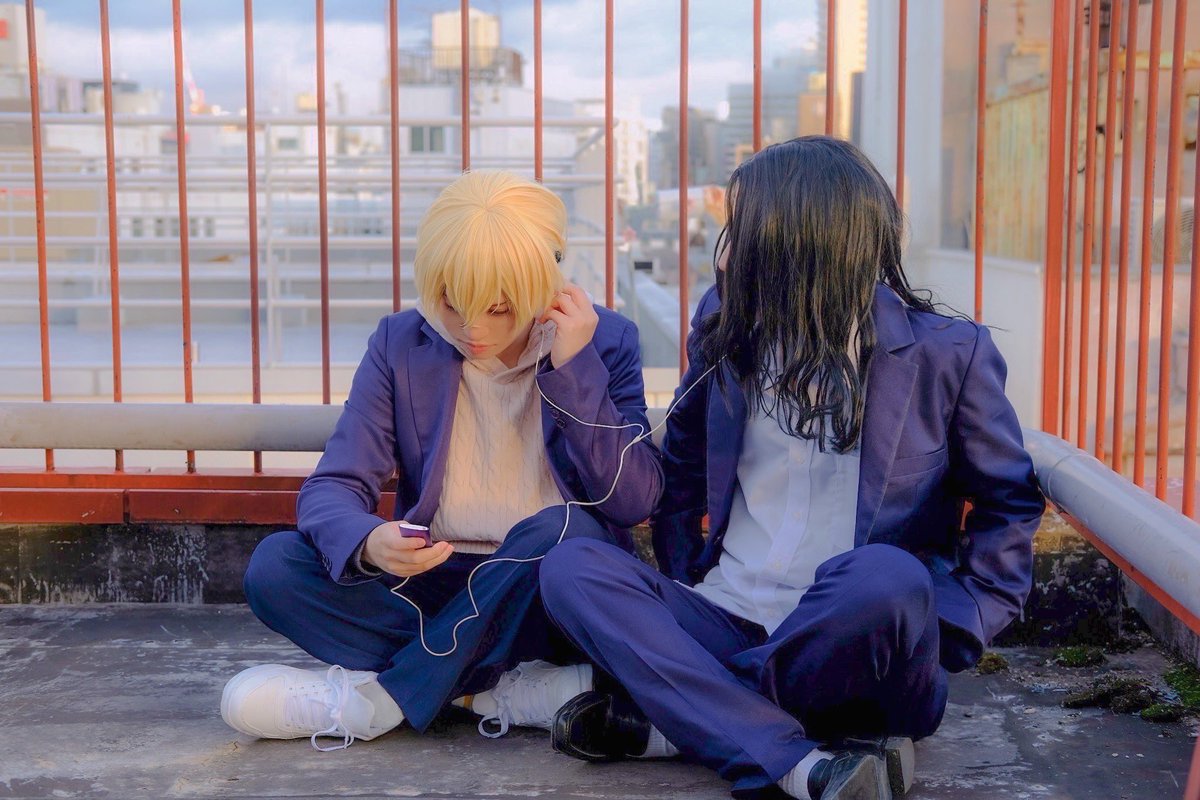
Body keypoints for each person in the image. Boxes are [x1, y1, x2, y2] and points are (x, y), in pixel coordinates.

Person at [538, 136, 1045, 800]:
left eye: (741, 234)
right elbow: (681, 471)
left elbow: (1009, 505)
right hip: (726, 618)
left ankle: (687, 719)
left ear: (799, 245)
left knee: (887, 576)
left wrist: (951, 626)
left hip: (862, 646)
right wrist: (686, 575)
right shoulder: (724, 326)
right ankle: (788, 754)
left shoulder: (946, 355)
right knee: (572, 565)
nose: (724, 254)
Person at [220, 170, 661, 749]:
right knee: (276, 568)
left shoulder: (604, 341)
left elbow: (632, 500)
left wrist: (575, 369)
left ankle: (380, 701)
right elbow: (335, 484)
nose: (473, 330)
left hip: (543, 588)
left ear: (543, 282)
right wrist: (368, 542)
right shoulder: (402, 342)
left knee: (562, 529)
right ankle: (490, 692)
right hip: (437, 576)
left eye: (499, 309)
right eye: (452, 304)